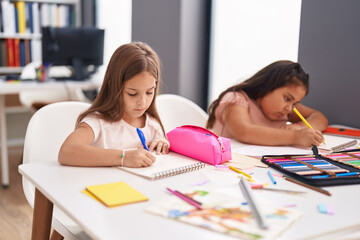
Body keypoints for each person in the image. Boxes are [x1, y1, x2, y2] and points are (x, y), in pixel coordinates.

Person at [58, 42, 169, 168]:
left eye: (149, 92)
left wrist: (162, 143)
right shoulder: (98, 122)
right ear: (113, 87)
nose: (142, 102)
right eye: (132, 93)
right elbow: (66, 151)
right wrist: (123, 157)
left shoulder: (152, 125)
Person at [206, 60, 328, 148]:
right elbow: (245, 132)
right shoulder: (236, 100)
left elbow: (319, 117)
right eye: (287, 98)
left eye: (295, 103)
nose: (289, 108)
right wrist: (295, 136)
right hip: (224, 168)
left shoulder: (286, 109)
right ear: (268, 86)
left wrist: (300, 127)